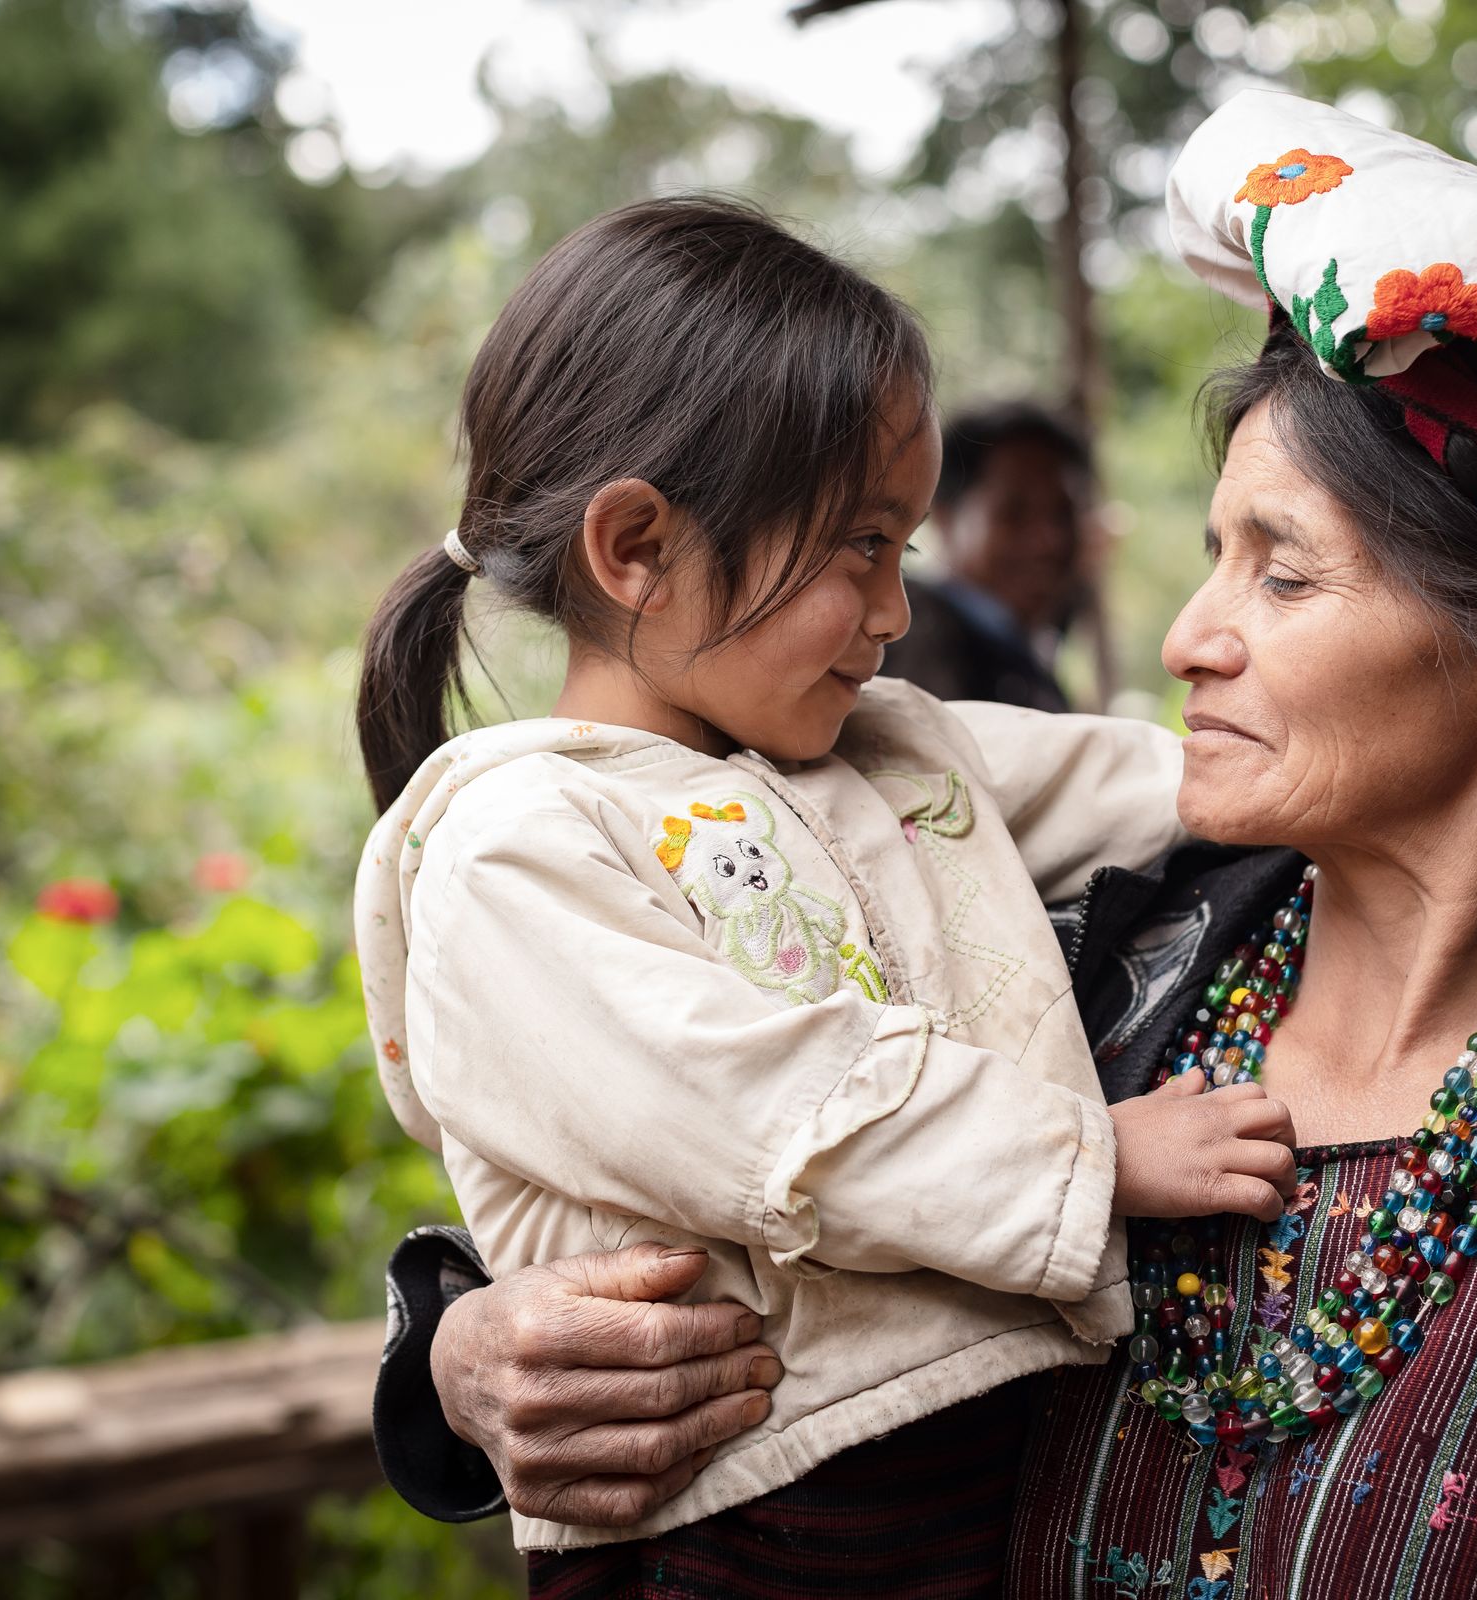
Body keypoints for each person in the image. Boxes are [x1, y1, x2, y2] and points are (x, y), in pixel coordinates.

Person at [370, 100, 1477, 1597]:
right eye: (1209, 554)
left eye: (1280, 571)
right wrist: (451, 1354)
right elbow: (678, 1101)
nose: (1187, 638)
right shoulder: (1089, 977)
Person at [349, 197, 1303, 1583]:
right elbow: (761, 1105)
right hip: (736, 1510)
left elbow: (1151, 785)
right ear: (637, 550)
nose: (897, 607)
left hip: (960, 1472)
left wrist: (1330, 760)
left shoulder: (885, 749)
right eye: (860, 545)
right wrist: (1091, 1163)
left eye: (900, 549)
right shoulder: (520, 847)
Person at [881, 402, 1097, 712]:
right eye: (1014, 513)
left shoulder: (1024, 652)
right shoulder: (912, 633)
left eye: (1063, 515)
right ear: (945, 516)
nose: (1048, 541)